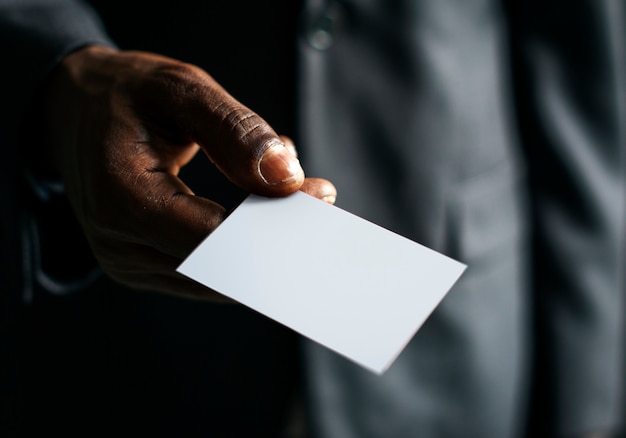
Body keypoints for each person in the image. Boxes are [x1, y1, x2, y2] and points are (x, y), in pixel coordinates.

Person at [1, 1, 624, 438]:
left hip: (462, 339)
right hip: (125, 331)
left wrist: (588, 402)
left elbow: (582, 65)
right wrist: (58, 73)